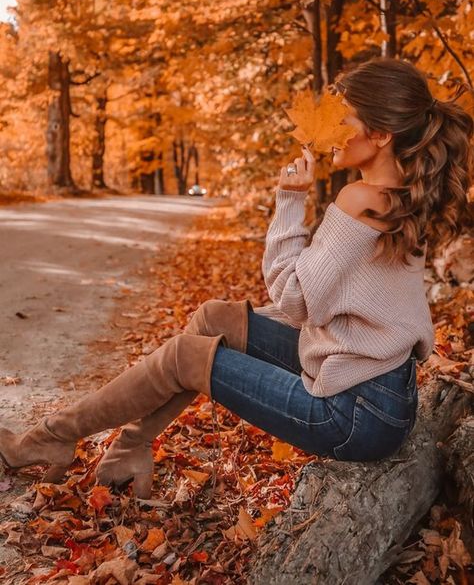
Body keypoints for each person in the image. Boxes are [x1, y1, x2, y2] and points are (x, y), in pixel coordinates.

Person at [1, 57, 472, 500]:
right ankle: (132, 447)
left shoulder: (359, 200)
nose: (331, 132)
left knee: (187, 355)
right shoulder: (403, 195)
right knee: (215, 318)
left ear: (382, 134)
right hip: (380, 392)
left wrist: (288, 201)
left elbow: (293, 300)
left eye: (343, 118)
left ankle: (48, 439)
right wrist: (249, 326)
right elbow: (340, 303)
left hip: (352, 414)